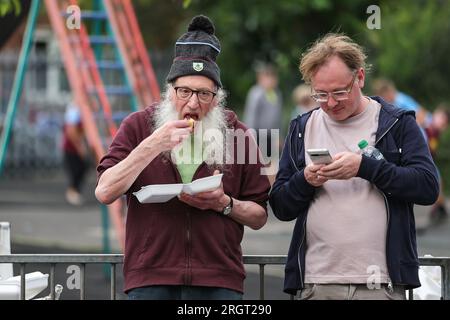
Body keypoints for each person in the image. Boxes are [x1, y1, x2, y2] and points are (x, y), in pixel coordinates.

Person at [95, 15, 270, 300]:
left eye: (203, 94)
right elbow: (104, 191)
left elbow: (260, 215)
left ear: (217, 97)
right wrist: (152, 144)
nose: (192, 103)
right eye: (184, 91)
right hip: (151, 276)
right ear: (169, 91)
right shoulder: (138, 126)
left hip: (219, 280)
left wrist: (224, 204)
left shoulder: (238, 134)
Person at [269, 33, 439, 300]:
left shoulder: (397, 122)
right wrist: (305, 180)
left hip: (382, 283)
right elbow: (280, 205)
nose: (331, 103)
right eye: (320, 94)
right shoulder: (302, 127)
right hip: (316, 282)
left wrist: (365, 167)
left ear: (360, 78)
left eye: (339, 92)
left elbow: (427, 187)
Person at [243, 63, 283, 157]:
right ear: (260, 79)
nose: (272, 81)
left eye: (273, 77)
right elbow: (251, 115)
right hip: (258, 134)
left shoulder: (276, 94)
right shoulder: (256, 93)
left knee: (272, 162)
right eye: (268, 77)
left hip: (272, 135)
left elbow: (279, 117)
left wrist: (279, 136)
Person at [425, 104, 449, 222]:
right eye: (439, 117)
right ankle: (439, 207)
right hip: (423, 160)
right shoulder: (426, 127)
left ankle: (438, 208)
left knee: (439, 183)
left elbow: (432, 150)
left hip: (429, 161)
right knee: (437, 183)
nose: (440, 121)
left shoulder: (435, 132)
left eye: (443, 120)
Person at [62, 101, 88, 206]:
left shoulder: (79, 111)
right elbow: (71, 131)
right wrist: (79, 147)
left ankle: (74, 191)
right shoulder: (74, 110)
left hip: (75, 145)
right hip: (71, 147)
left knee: (82, 168)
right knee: (76, 170)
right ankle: (72, 192)